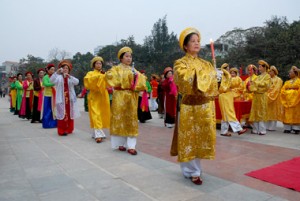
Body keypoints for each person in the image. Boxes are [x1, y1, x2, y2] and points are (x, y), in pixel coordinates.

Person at [172, 27, 218, 185]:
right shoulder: (180, 64)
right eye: (193, 41)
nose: (197, 43)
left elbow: (215, 88)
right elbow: (184, 80)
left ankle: (194, 169)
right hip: (189, 107)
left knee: (202, 139)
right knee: (190, 139)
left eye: (198, 41)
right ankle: (193, 171)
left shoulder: (206, 64)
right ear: (185, 45)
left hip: (205, 107)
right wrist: (210, 76)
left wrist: (219, 77)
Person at [105, 46, 147, 155]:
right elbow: (109, 76)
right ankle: (121, 144)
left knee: (131, 120)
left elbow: (142, 79)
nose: (129, 58)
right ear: (121, 58)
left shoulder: (133, 70)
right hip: (119, 96)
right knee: (120, 119)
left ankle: (131, 146)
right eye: (126, 56)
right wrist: (123, 78)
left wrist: (137, 77)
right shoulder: (116, 68)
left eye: (130, 56)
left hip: (131, 97)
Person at [84, 56, 110, 143]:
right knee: (96, 114)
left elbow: (109, 83)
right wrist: (99, 77)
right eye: (97, 63)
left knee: (102, 114)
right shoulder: (90, 73)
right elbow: (88, 82)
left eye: (100, 63)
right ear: (94, 65)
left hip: (103, 96)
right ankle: (98, 135)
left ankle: (96, 132)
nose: (99, 65)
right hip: (94, 97)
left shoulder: (104, 74)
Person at [50, 60, 80, 136]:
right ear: (61, 69)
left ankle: (69, 129)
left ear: (69, 70)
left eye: (67, 68)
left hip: (70, 99)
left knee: (70, 114)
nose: (65, 69)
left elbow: (77, 82)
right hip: (61, 99)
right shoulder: (58, 77)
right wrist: (56, 72)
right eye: (64, 68)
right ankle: (61, 130)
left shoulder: (70, 78)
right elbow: (51, 81)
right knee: (61, 114)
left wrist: (70, 77)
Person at [218, 63, 247, 137]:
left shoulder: (226, 77)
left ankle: (223, 131)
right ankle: (238, 129)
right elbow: (222, 88)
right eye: (227, 69)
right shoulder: (222, 77)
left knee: (225, 114)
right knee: (229, 112)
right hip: (224, 96)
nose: (229, 70)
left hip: (227, 96)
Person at [248, 60, 271, 135]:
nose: (259, 68)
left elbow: (266, 85)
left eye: (260, 66)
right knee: (255, 112)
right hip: (256, 96)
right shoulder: (258, 77)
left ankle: (262, 130)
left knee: (261, 112)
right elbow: (253, 86)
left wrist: (256, 84)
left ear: (265, 68)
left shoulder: (267, 76)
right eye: (259, 66)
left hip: (262, 96)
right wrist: (250, 87)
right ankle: (255, 129)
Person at [280, 66, 300, 134]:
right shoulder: (287, 82)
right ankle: (287, 128)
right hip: (287, 100)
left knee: (295, 113)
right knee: (287, 114)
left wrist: (294, 95)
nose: (289, 73)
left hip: (296, 100)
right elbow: (282, 90)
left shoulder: (299, 81)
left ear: (295, 73)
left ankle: (296, 128)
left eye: (291, 72)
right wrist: (287, 94)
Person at [266, 66, 283, 131]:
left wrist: (270, 95)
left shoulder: (278, 79)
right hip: (267, 96)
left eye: (271, 71)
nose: (270, 72)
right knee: (267, 112)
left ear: (274, 72)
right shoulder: (267, 79)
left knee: (273, 112)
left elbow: (277, 89)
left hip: (274, 98)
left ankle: (272, 127)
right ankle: (267, 126)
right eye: (269, 71)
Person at [41, 64, 57, 128]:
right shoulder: (45, 77)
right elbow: (46, 84)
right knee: (47, 110)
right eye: (51, 69)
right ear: (48, 70)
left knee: (54, 110)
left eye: (53, 69)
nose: (52, 71)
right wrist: (54, 83)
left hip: (54, 95)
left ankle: (54, 123)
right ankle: (46, 124)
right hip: (47, 95)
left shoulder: (55, 76)